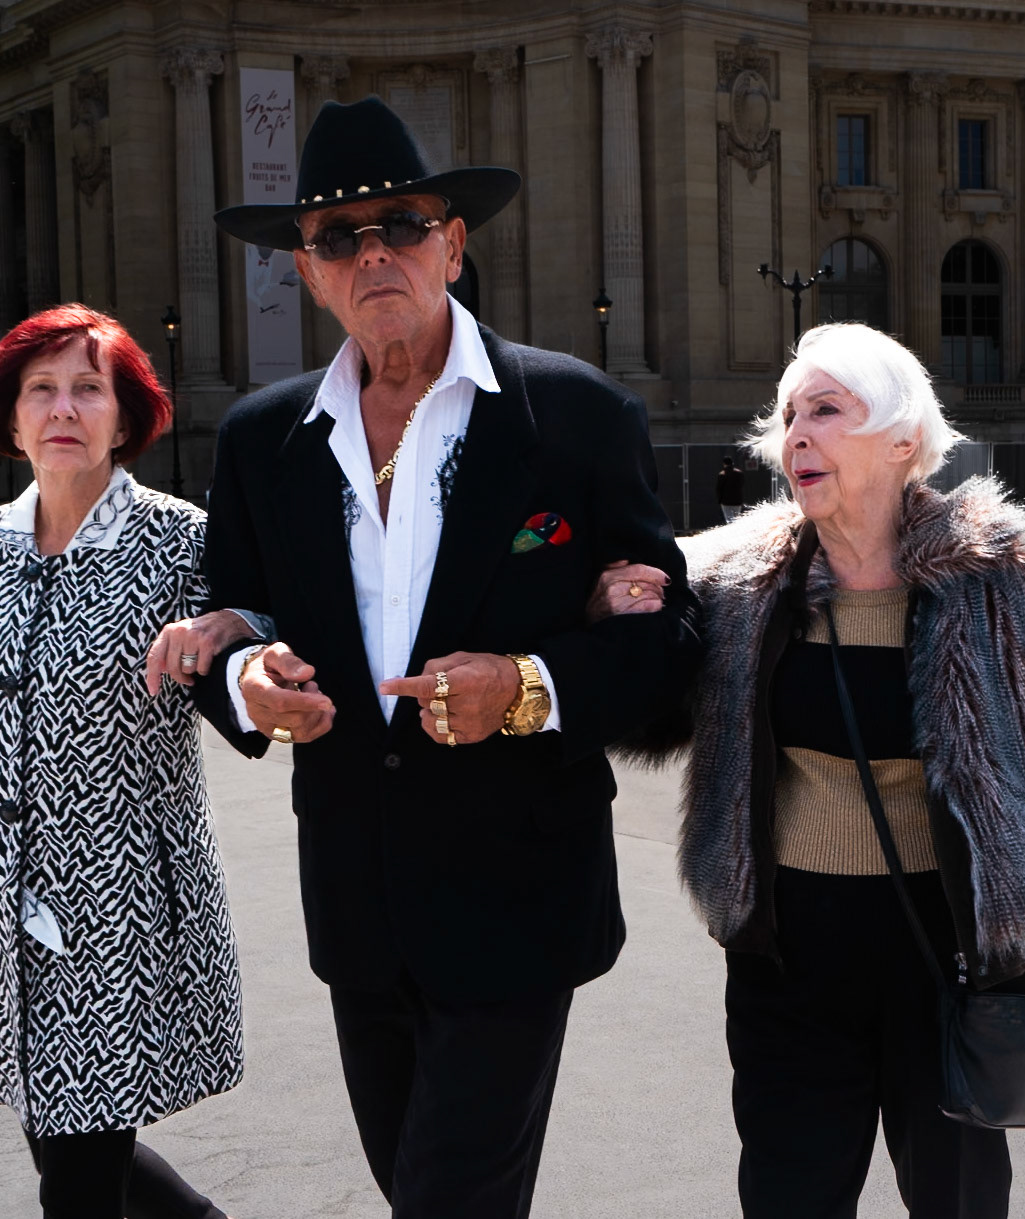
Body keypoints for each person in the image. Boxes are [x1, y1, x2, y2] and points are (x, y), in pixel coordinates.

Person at [174, 97, 699, 1219]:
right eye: (334, 238)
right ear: (307, 273)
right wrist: (248, 685)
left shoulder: (575, 416)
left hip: (517, 900)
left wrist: (529, 687)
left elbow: (664, 644)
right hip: (358, 909)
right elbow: (230, 616)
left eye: (400, 224)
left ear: (452, 246)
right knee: (420, 1190)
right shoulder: (263, 441)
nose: (371, 253)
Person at [597, 322, 1025, 1219]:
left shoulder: (1006, 580)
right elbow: (650, 721)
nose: (795, 435)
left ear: (901, 441)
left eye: (824, 409)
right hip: (787, 948)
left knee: (956, 1196)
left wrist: (1021, 880)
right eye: (786, 417)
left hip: (951, 947)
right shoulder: (737, 583)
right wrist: (625, 623)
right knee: (789, 1192)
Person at [0, 304, 252, 1219]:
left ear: (123, 420)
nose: (63, 407)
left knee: (80, 1169)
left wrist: (248, 641)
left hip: (114, 915)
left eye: (88, 388)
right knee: (68, 1141)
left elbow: (246, 654)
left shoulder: (179, 539)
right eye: (39, 389)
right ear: (9, 418)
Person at [716, 455, 747, 522]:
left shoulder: (722, 474)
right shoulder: (739, 473)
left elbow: (719, 488)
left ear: (724, 464)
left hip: (726, 501)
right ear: (732, 463)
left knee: (729, 520)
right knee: (736, 520)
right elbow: (742, 485)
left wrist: (720, 500)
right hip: (737, 500)